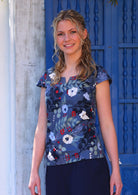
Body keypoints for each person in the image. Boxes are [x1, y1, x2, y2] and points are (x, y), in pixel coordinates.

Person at [28, 9, 123, 195]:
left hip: (89, 164)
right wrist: (34, 171)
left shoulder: (97, 75)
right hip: (55, 167)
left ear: (83, 34)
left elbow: (107, 125)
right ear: (56, 39)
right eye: (61, 34)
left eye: (72, 32)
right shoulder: (48, 79)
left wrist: (116, 170)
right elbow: (41, 127)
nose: (67, 38)